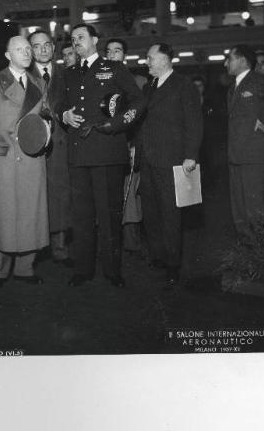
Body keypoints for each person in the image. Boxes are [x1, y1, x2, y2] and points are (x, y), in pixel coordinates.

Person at [62, 23, 145, 287]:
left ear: (94, 40)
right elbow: (58, 104)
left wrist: (118, 124)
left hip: (107, 152)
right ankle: (82, 269)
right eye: (73, 38)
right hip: (78, 154)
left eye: (81, 37)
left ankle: (112, 270)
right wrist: (63, 114)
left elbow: (139, 102)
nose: (76, 41)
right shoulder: (69, 74)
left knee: (109, 217)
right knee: (81, 216)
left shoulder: (114, 68)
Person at [0, 35, 49, 288]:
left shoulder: (38, 83)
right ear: (8, 55)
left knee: (31, 214)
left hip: (31, 157)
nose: (27, 53)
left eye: (28, 49)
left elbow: (44, 118)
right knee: (3, 217)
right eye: (19, 49)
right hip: (4, 158)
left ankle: (25, 268)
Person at [139, 43, 203, 287]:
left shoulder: (183, 86)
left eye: (150, 57)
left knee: (170, 215)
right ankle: (159, 256)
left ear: (165, 59)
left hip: (172, 160)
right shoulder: (148, 87)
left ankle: (173, 264)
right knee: (152, 213)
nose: (147, 62)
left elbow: (194, 123)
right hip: (148, 160)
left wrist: (191, 155)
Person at [29, 29, 72, 266]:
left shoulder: (67, 74)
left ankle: (60, 247)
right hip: (31, 146)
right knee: (33, 199)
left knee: (60, 196)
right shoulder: (23, 75)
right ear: (30, 50)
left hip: (61, 145)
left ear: (53, 48)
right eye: (37, 45)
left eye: (47, 45)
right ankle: (33, 249)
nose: (43, 49)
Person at [224, 44, 264, 239]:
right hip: (236, 156)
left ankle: (263, 259)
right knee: (241, 213)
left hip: (255, 156)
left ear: (243, 60)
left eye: (230, 58)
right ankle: (248, 259)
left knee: (257, 211)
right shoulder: (232, 88)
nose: (226, 63)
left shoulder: (260, 82)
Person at [105, 37, 145, 253]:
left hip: (130, 146)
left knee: (130, 197)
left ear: (125, 56)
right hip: (106, 148)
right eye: (109, 52)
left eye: (117, 51)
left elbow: (143, 119)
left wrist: (136, 146)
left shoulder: (137, 82)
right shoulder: (100, 82)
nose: (112, 55)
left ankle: (132, 243)